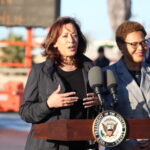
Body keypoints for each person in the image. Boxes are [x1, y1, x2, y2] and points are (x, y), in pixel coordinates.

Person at [19, 17, 99, 150]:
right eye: (65, 36)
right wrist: (48, 104)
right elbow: (25, 112)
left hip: (82, 145)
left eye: (74, 35)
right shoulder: (40, 71)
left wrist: (99, 103)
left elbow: (106, 108)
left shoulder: (92, 69)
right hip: (47, 146)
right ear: (55, 42)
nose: (71, 40)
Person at [104, 21, 150, 150]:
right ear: (121, 46)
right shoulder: (107, 75)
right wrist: (130, 144)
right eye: (134, 44)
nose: (140, 48)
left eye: (143, 42)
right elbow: (106, 117)